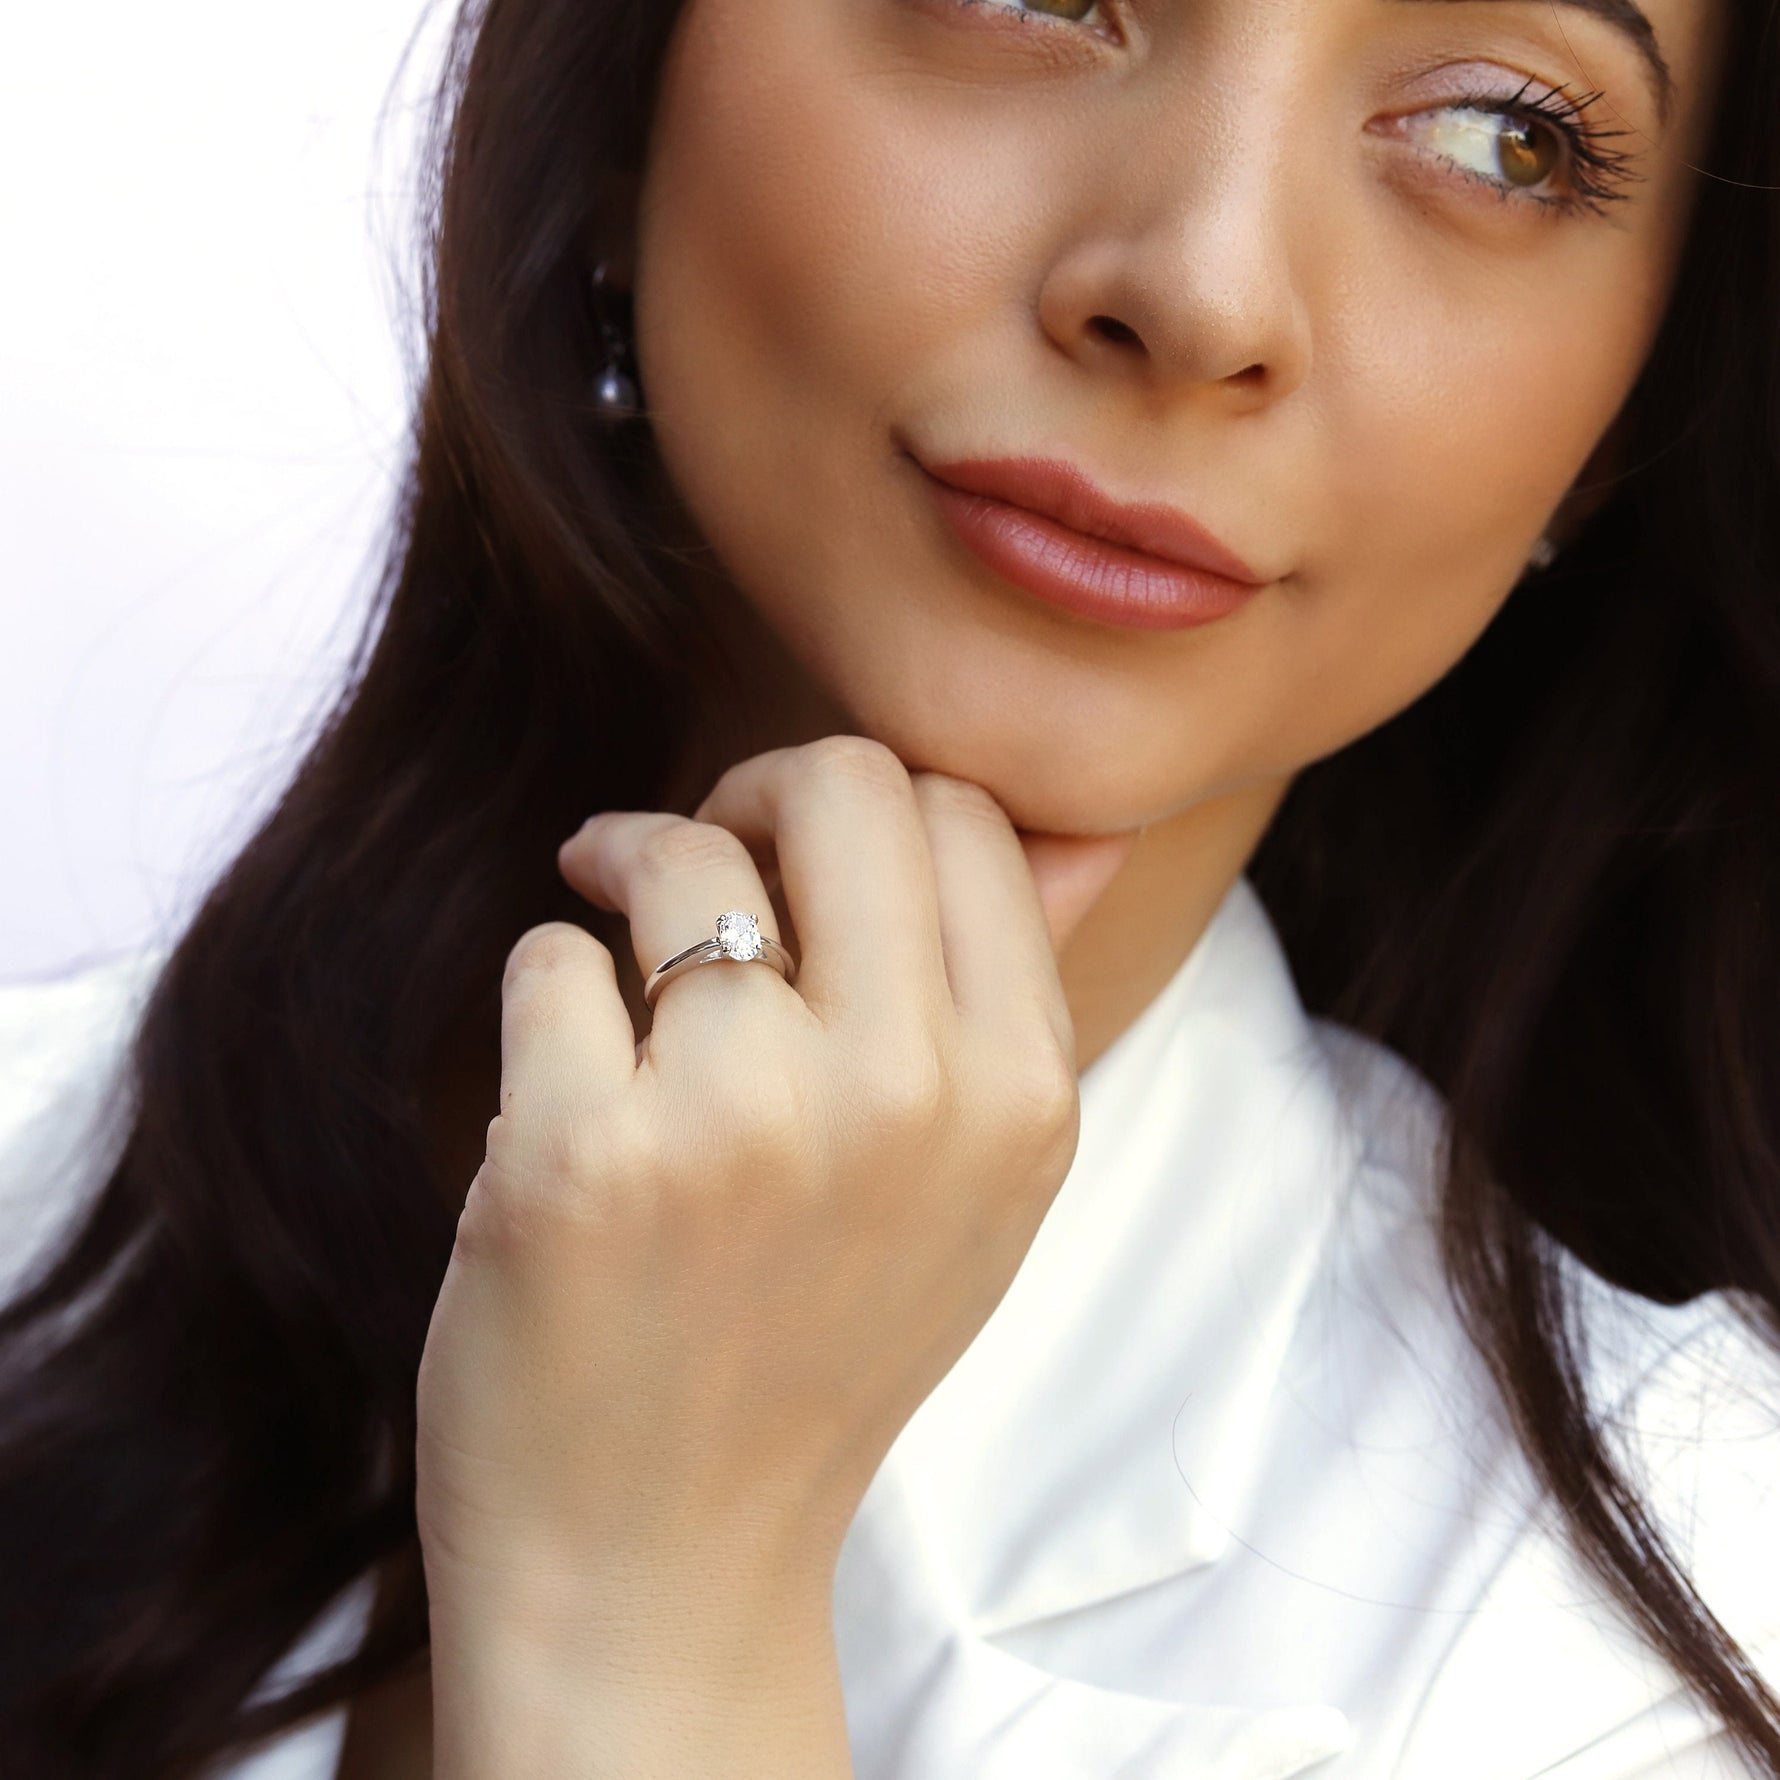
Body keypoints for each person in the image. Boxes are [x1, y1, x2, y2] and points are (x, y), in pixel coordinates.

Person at [3, 0, 1778, 1773]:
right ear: (616, 108)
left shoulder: (1643, 1644)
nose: (1205, 294)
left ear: (1622, 419)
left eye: (1505, 136)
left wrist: (654, 1619)